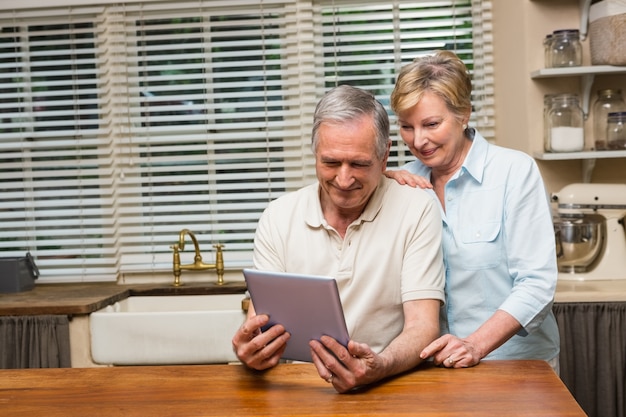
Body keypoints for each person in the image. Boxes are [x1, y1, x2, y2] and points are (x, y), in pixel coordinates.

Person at [232, 85, 446, 393]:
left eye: (359, 164)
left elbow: (423, 326)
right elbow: (260, 324)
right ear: (315, 154)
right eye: (331, 162)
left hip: (389, 387)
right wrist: (251, 351)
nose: (344, 180)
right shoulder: (278, 217)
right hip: (300, 391)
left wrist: (380, 367)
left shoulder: (417, 210)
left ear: (384, 157)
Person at [386, 50, 560, 371]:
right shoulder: (402, 184)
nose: (418, 140)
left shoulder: (514, 172)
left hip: (515, 365)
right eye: (406, 127)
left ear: (463, 114)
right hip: (434, 367)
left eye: (431, 124)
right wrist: (378, 181)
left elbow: (537, 284)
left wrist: (473, 344)